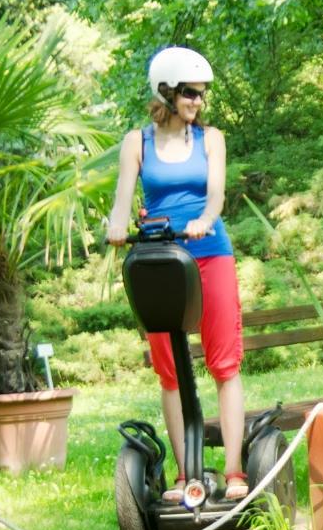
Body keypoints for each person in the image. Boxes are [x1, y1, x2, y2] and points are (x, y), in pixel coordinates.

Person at [105, 46, 249, 501]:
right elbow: (122, 200)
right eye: (189, 93)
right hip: (160, 259)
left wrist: (205, 220)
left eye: (201, 95)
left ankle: (233, 473)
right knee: (169, 371)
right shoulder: (137, 142)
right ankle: (189, 475)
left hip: (210, 252)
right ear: (166, 92)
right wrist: (115, 226)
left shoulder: (212, 140)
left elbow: (216, 197)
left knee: (225, 362)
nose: (197, 102)